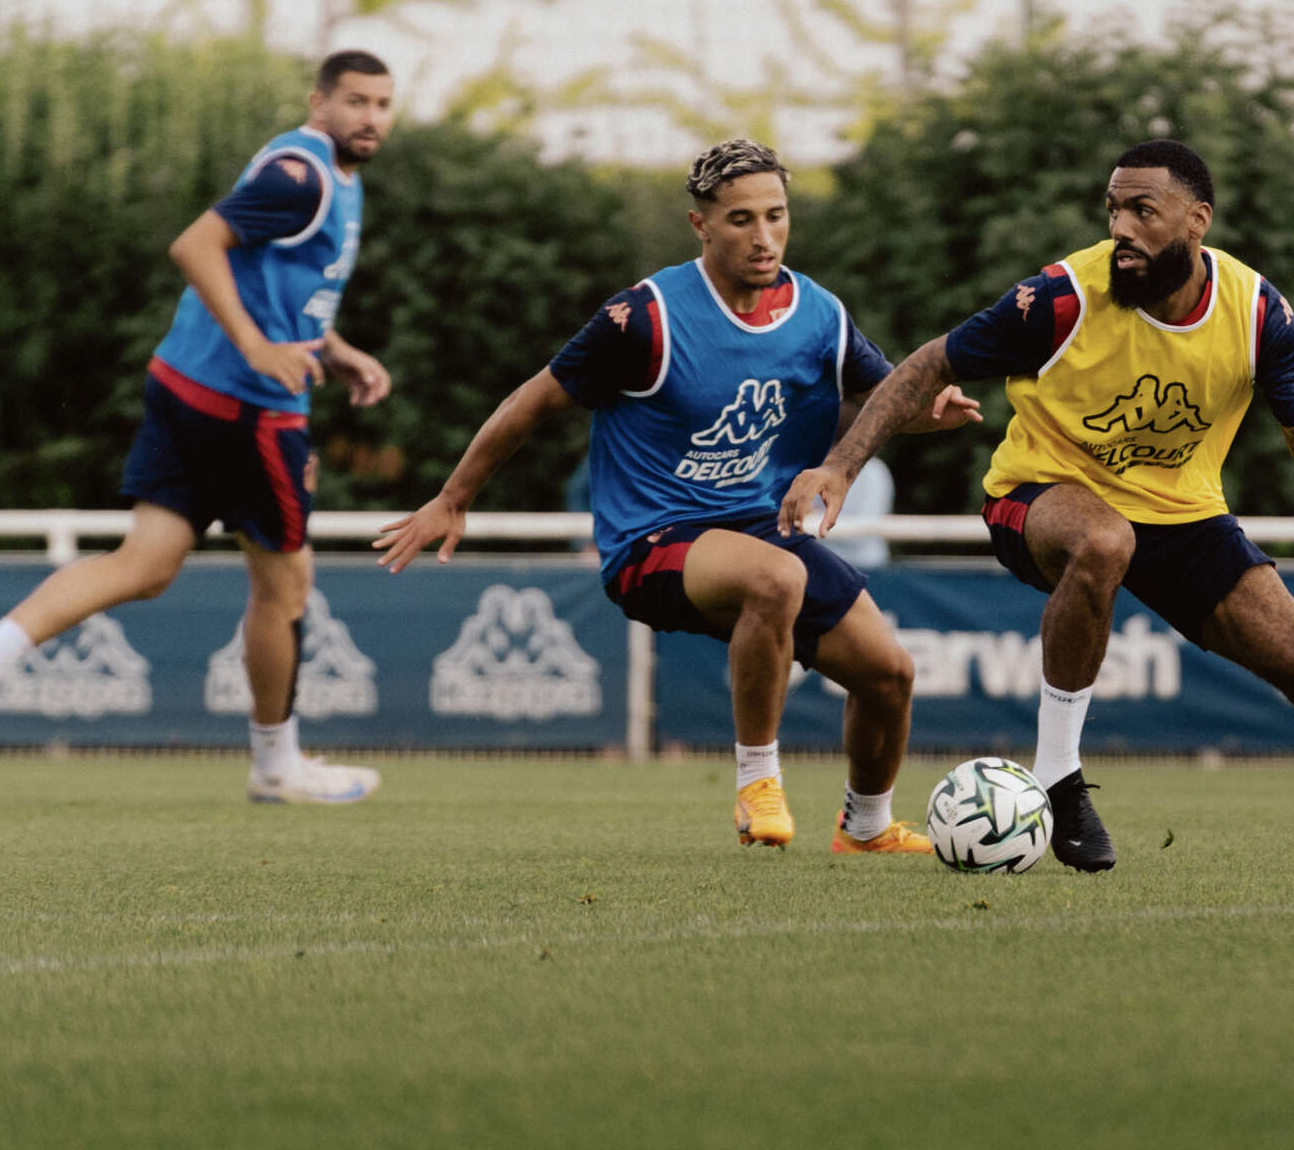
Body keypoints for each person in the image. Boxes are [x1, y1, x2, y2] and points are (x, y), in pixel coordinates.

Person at [780, 139, 1294, 876]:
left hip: (1183, 517)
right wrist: (838, 465)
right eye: (1114, 209)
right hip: (1036, 495)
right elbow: (931, 362)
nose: (1121, 226)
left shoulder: (1257, 315)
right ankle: (1058, 775)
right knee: (1103, 540)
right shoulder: (1059, 300)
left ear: (1197, 221)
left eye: (1142, 210)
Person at [372, 138, 978, 852]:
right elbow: (533, 402)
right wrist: (453, 496)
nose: (764, 236)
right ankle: (757, 782)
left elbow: (885, 399)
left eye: (776, 216)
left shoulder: (819, 314)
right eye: (741, 219)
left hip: (759, 529)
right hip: (652, 541)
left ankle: (867, 826)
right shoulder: (645, 317)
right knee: (776, 576)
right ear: (701, 225)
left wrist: (922, 412)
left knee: (889, 673)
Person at [0, 50, 401, 804]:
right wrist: (255, 347)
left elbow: (279, 284)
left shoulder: (327, 176)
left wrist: (333, 351)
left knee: (143, 564)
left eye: (382, 104)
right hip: (247, 406)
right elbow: (195, 245)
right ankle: (277, 765)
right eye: (356, 102)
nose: (370, 117)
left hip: (186, 385)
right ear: (319, 102)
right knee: (287, 585)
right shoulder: (303, 175)